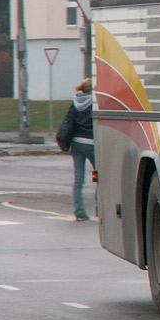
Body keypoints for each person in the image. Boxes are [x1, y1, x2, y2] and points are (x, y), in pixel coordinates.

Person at [66, 78, 96, 221]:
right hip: (91, 143)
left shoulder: (76, 101)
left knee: (78, 181)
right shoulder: (94, 102)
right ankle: (100, 208)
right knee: (100, 177)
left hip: (76, 143)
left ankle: (79, 211)